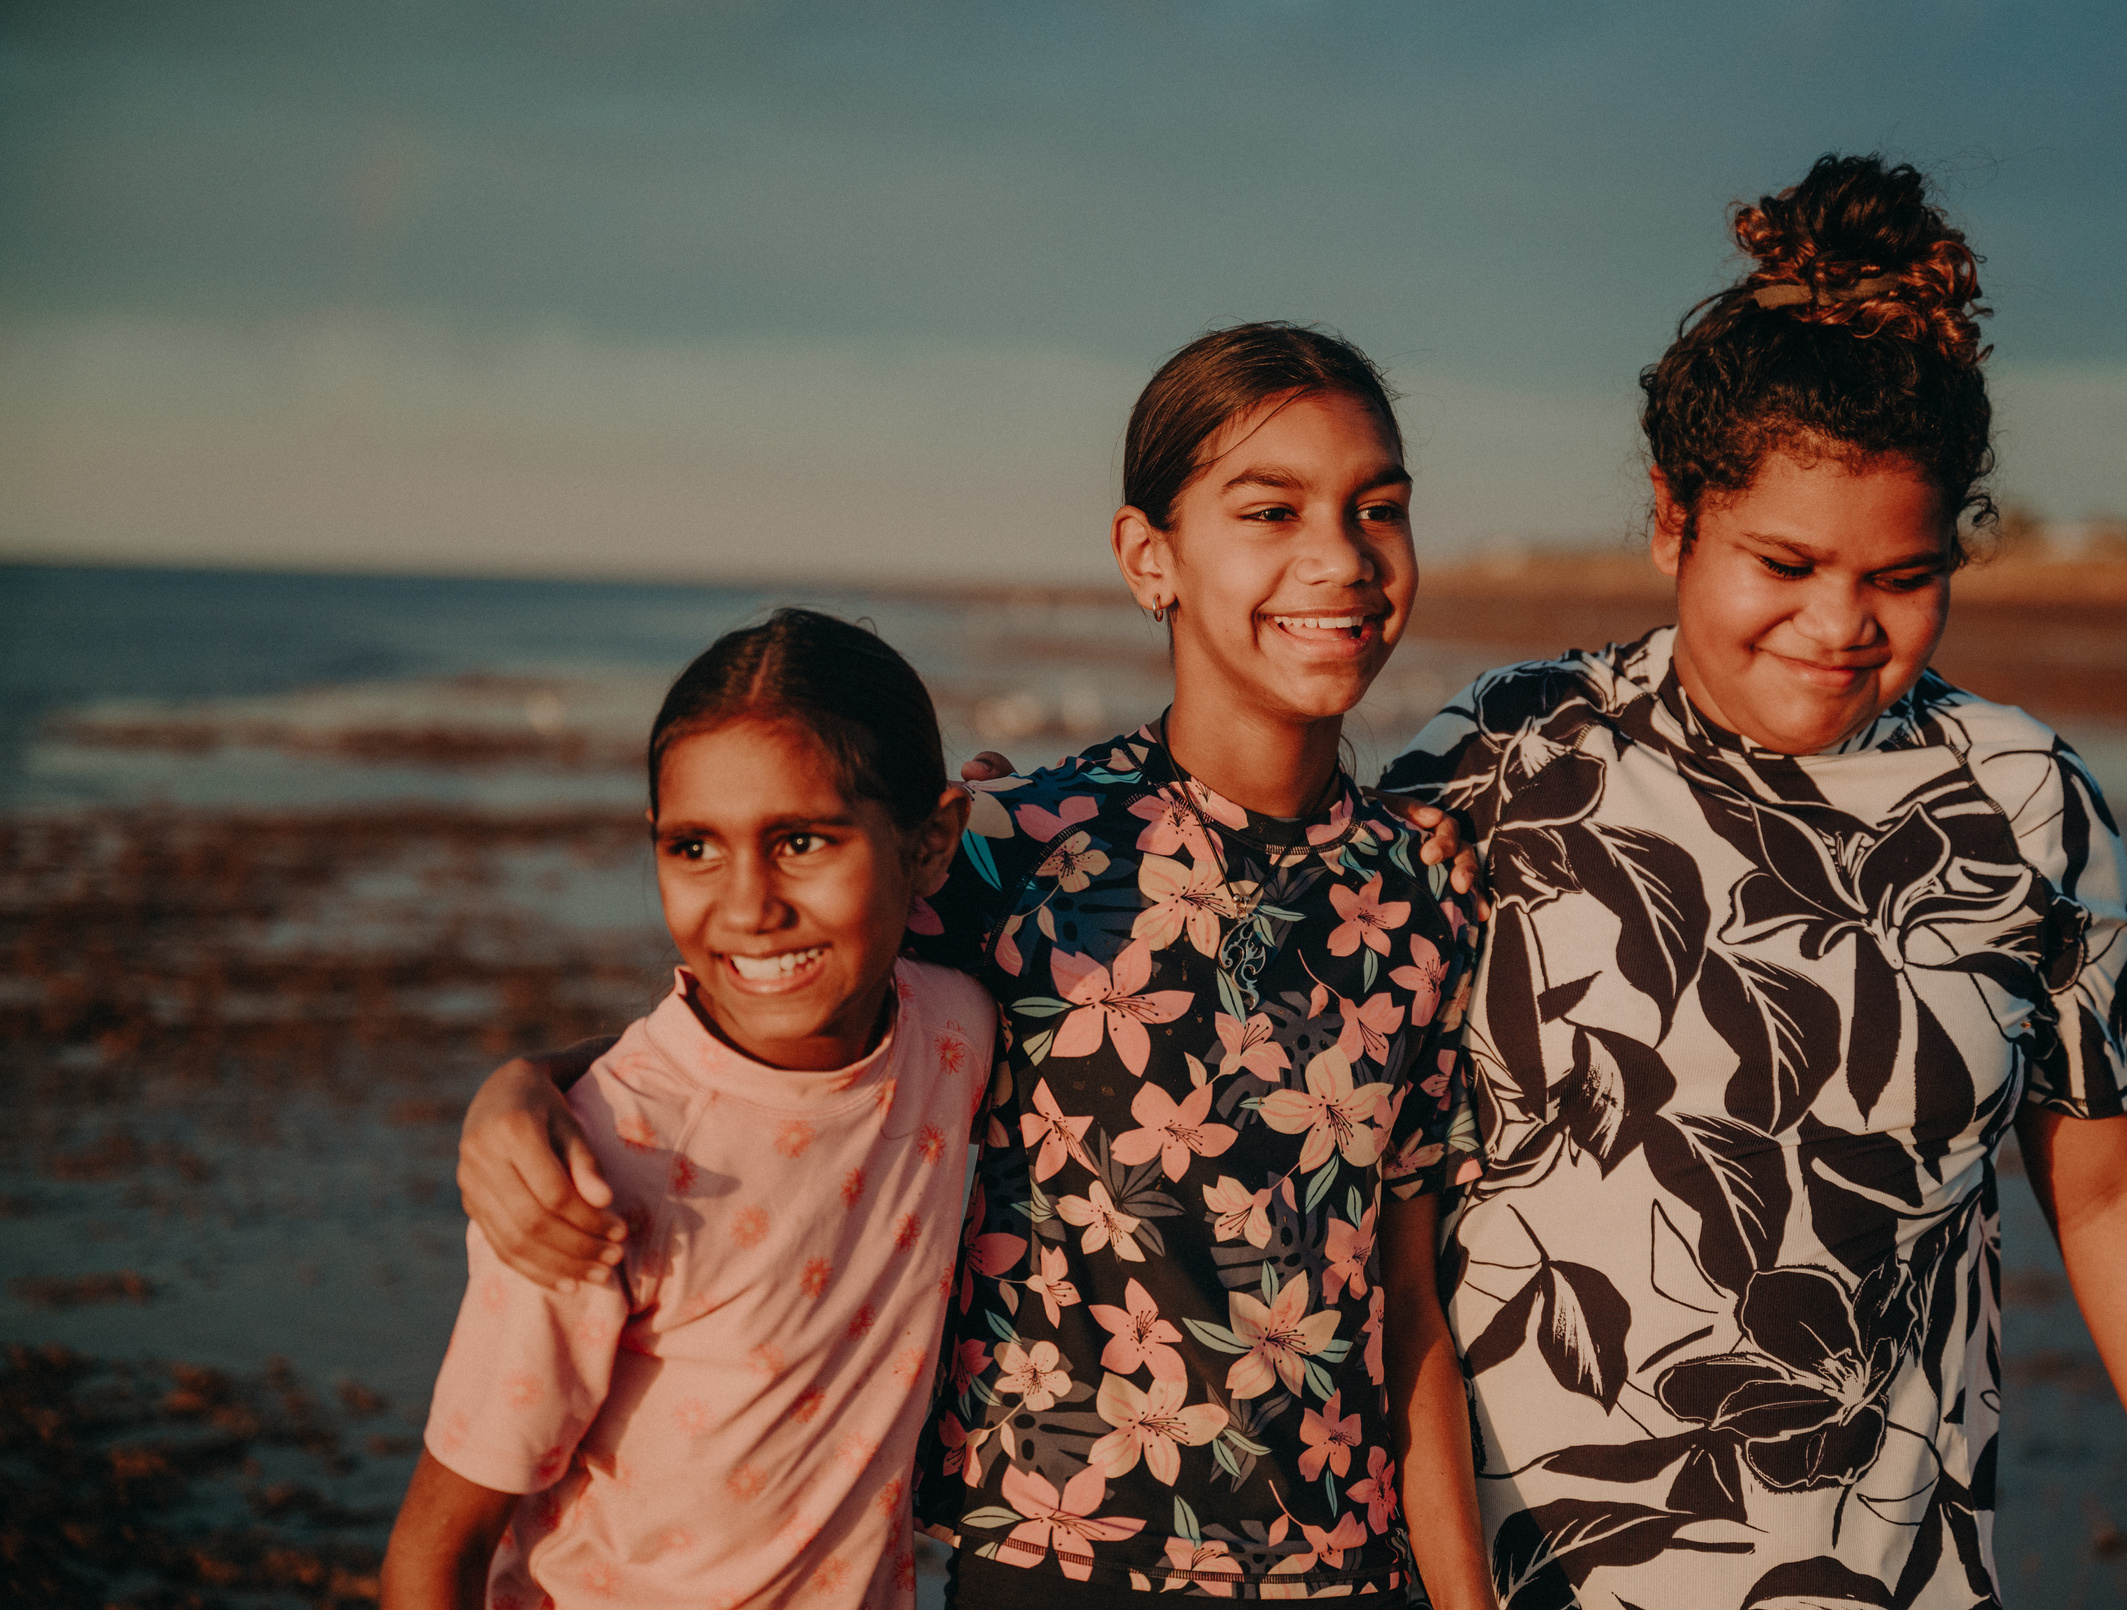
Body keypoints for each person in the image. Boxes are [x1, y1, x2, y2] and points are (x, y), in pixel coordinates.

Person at [1379, 155, 2127, 1608]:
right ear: (1672, 519)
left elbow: (2117, 1193)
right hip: (1507, 1578)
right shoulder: (1510, 754)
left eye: (1901, 575)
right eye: (1786, 561)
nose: (1839, 623)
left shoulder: (2024, 808)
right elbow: (1359, 1173)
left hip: (1889, 1576)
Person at [454, 324, 1500, 1608]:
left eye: (1376, 506)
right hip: (1048, 1561)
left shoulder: (1422, 890)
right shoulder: (1013, 849)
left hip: (1349, 1570)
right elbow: (761, 1021)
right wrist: (523, 1087)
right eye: (1270, 509)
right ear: (1147, 558)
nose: (1337, 555)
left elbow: (1408, 1298)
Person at [381, 610, 986, 1609]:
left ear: (929, 846)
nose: (746, 903)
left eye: (800, 840)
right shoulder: (591, 1164)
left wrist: (527, 1065)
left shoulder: (956, 1028)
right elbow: (434, 1553)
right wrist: (533, 1082)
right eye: (694, 846)